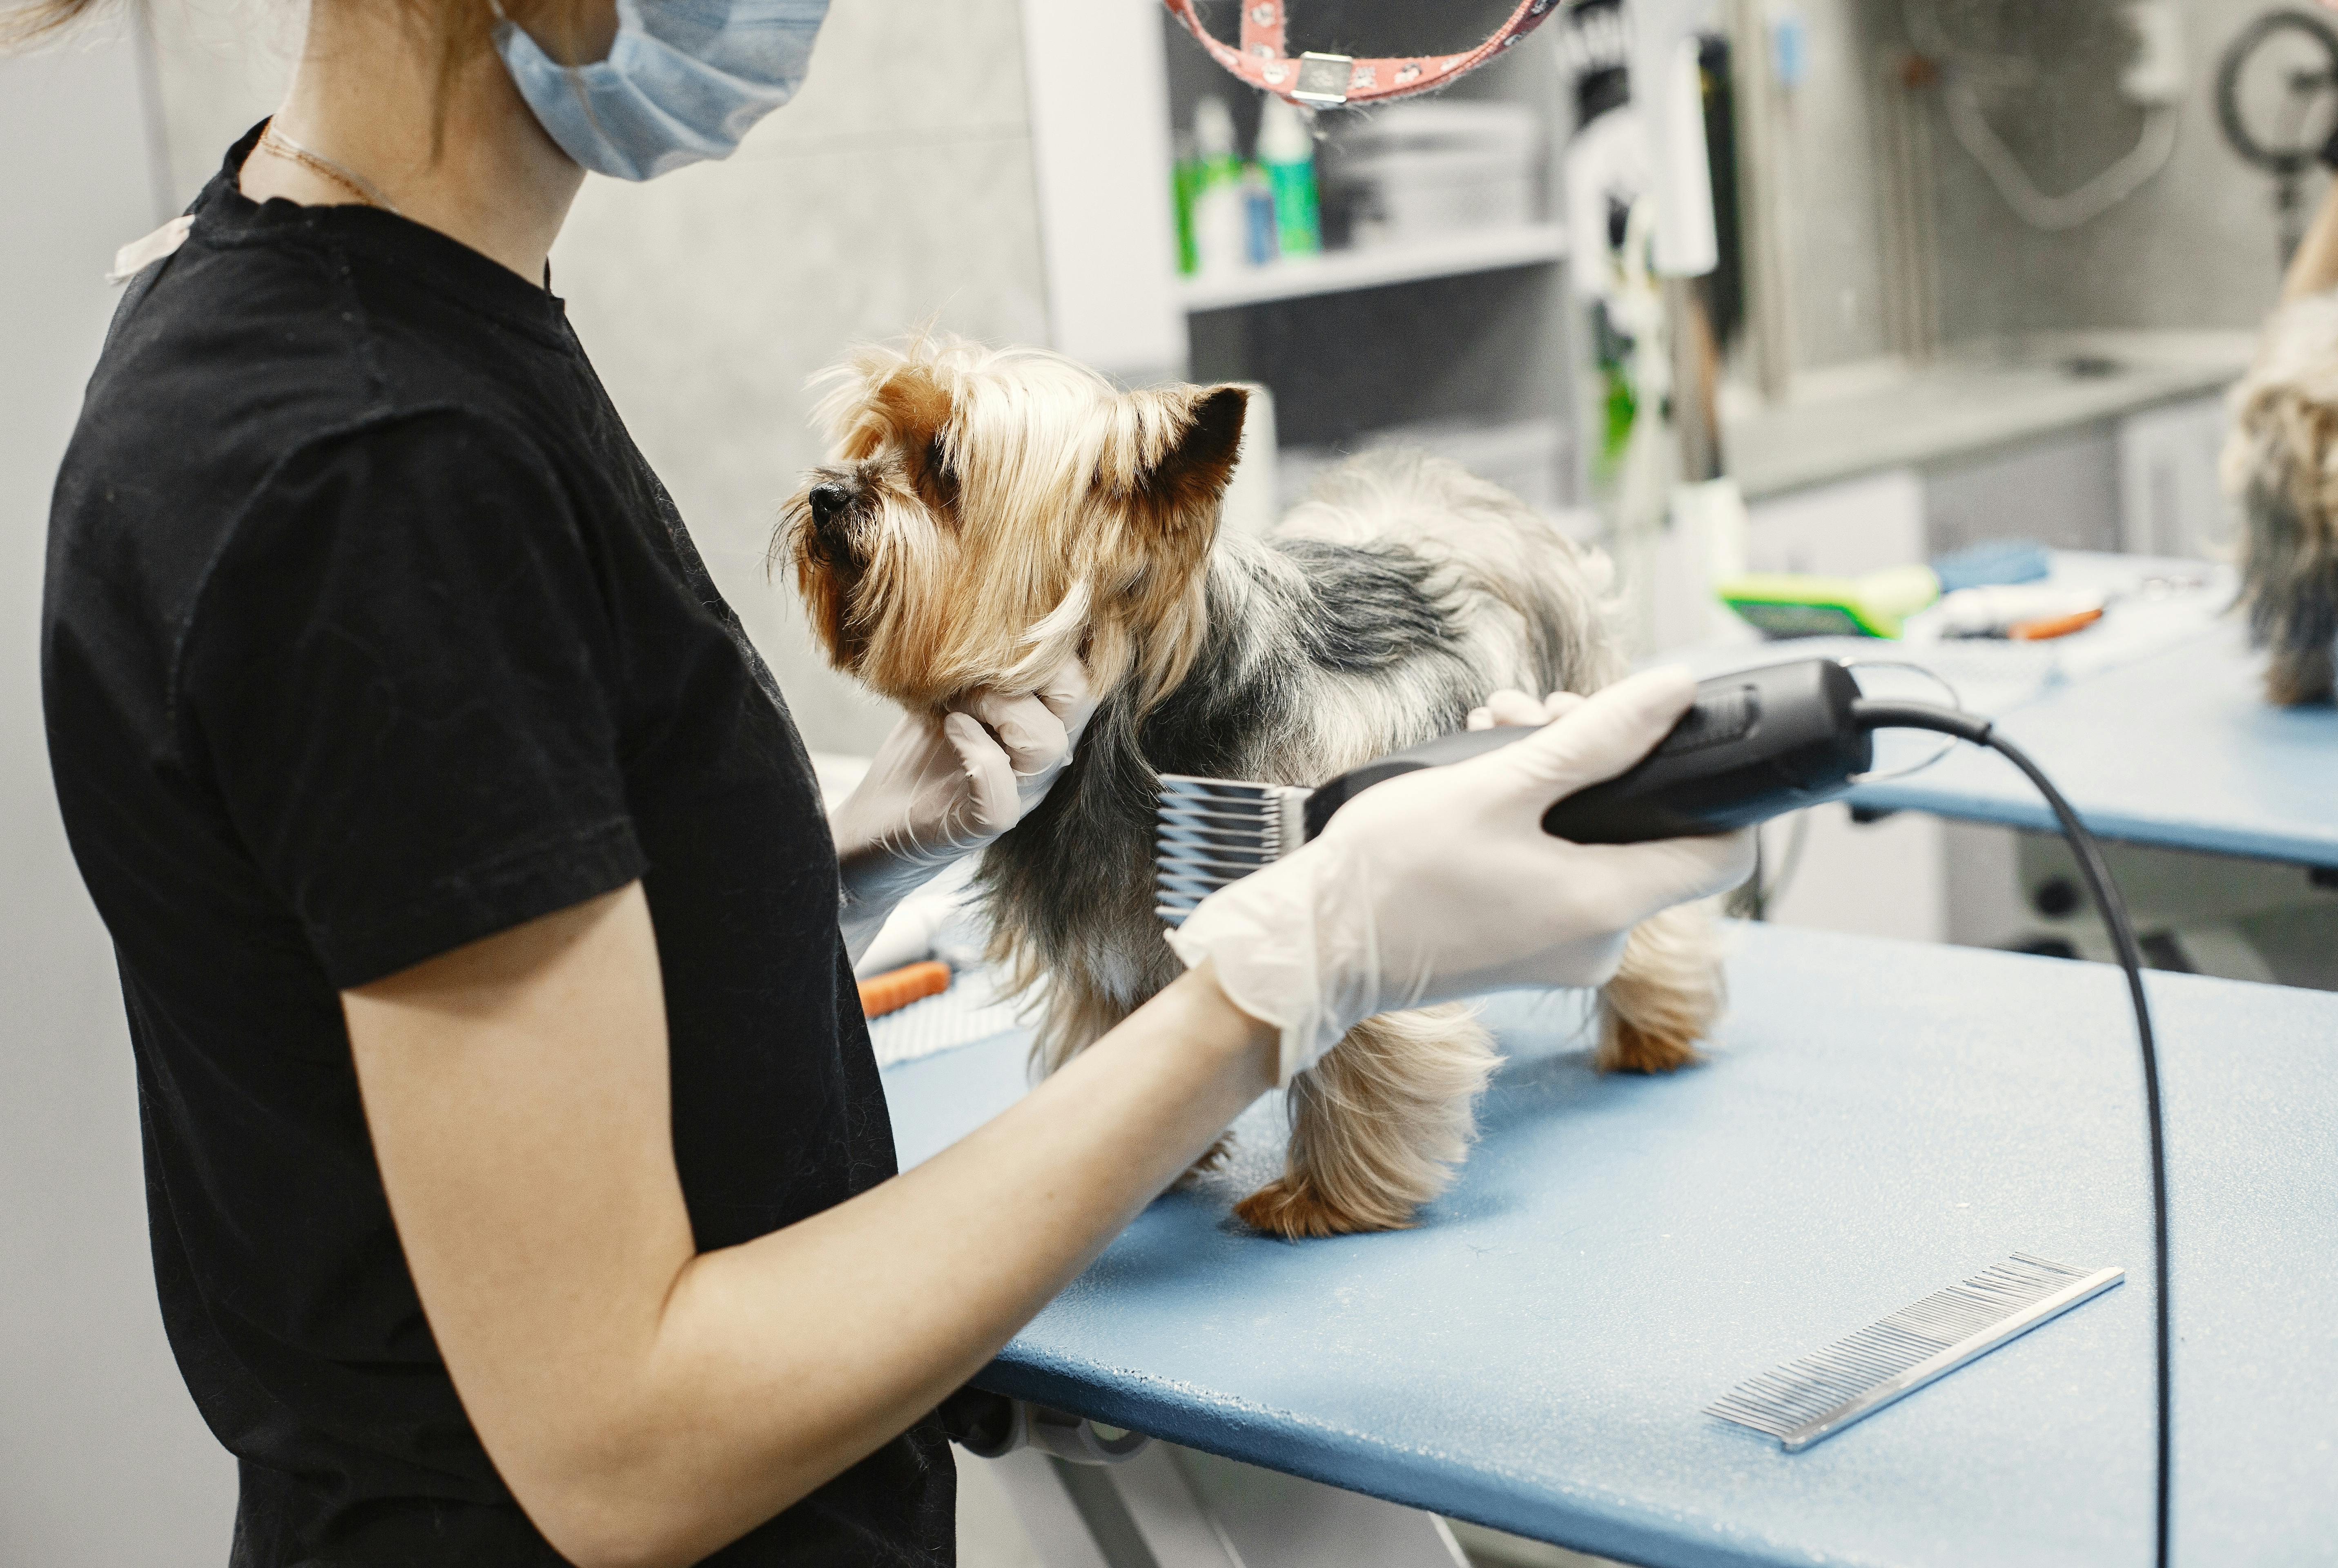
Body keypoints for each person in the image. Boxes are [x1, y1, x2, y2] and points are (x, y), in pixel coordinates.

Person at [24, 0, 1756, 1560]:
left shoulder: (352, 313)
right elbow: (620, 1448)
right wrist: (1280, 978)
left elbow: (457, 894)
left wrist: (847, 849)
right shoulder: (376, 469)